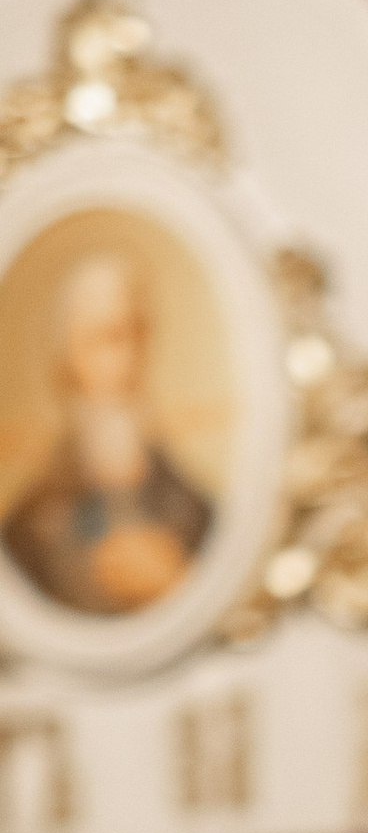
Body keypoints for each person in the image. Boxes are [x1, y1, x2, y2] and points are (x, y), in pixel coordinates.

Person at [2, 249, 212, 619]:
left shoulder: (196, 509)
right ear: (68, 358)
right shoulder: (27, 526)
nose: (129, 358)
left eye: (137, 332)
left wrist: (179, 582)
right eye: (108, 338)